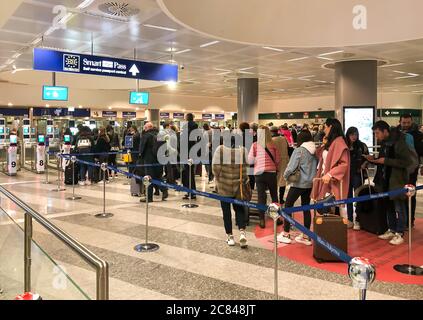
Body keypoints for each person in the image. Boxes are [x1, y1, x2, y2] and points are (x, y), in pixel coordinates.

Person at [366, 121, 412, 245]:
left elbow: (406, 162)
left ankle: (400, 232)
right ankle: (392, 229)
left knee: (399, 207)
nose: (376, 136)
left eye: (377, 133)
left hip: (396, 180)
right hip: (385, 179)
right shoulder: (385, 143)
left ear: (385, 131)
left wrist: (385, 160)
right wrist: (373, 160)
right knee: (389, 206)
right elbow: (383, 161)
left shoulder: (399, 142)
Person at [277, 130, 318, 245]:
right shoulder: (315, 151)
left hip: (298, 183)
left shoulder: (299, 151)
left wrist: (285, 176)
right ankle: (306, 236)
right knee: (306, 208)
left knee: (288, 205)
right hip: (310, 184)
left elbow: (291, 167)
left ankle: (286, 233)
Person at [213, 134, 249, 248]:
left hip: (224, 185)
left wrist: (218, 177)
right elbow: (246, 167)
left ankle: (230, 236)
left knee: (226, 211)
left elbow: (215, 168)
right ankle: (242, 232)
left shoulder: (221, 150)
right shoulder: (243, 150)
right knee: (239, 209)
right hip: (238, 186)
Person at [311, 118, 350, 216]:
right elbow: (319, 155)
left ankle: (332, 230)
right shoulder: (332, 142)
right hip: (325, 180)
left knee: (329, 209)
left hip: (332, 181)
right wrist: (324, 144)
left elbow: (344, 164)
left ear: (330, 127)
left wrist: (330, 174)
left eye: (325, 127)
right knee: (324, 209)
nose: (324, 130)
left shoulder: (339, 143)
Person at [248, 126, 281, 228]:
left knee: (261, 196)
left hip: (259, 174)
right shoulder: (273, 145)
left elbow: (250, 161)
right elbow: (278, 160)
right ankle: (277, 218)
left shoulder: (255, 145)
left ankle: (261, 220)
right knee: (274, 195)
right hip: (271, 173)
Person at [398, 114, 423, 227]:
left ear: (411, 122)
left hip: (412, 170)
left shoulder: (418, 135)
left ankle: (410, 220)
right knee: (399, 194)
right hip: (398, 170)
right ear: (400, 121)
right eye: (404, 123)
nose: (406, 125)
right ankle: (401, 219)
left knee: (410, 194)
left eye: (408, 122)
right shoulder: (396, 133)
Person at [345, 127, 369, 230]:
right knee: (348, 197)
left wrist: (364, 164)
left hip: (357, 174)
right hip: (346, 174)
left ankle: (358, 219)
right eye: (351, 134)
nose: (354, 136)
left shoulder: (362, 145)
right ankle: (350, 219)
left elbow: (368, 158)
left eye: (355, 134)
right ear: (348, 135)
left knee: (358, 196)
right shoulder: (344, 145)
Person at [139, 122, 168, 202]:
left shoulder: (146, 136)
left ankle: (149, 197)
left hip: (148, 159)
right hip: (158, 159)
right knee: (158, 176)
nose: (144, 129)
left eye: (145, 128)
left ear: (148, 128)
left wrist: (140, 157)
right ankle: (164, 189)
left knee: (149, 177)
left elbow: (141, 149)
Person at [181, 113, 199, 200]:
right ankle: (192, 192)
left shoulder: (186, 127)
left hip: (187, 153)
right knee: (191, 173)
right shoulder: (196, 127)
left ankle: (190, 192)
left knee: (187, 173)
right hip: (193, 153)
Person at [270, 126, 289, 205]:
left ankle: (275, 199)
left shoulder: (271, 140)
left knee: (274, 181)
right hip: (284, 160)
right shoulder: (283, 138)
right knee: (282, 180)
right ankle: (281, 199)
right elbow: (288, 147)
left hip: (274, 161)